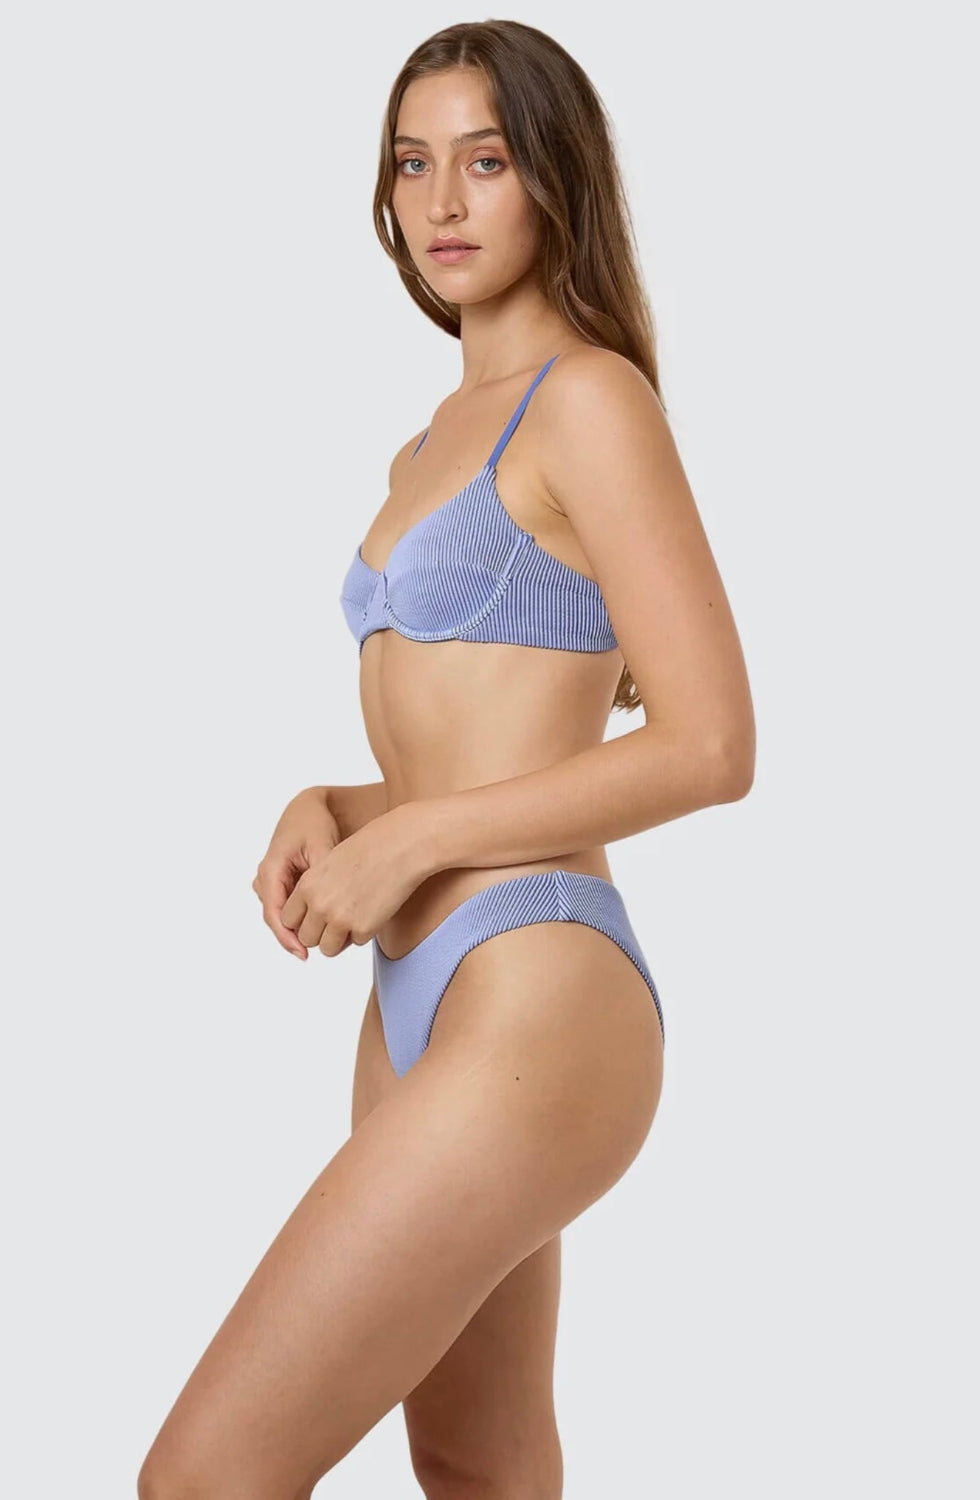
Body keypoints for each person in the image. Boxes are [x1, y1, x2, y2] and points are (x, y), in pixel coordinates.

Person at [138, 19, 755, 1499]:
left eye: (485, 161)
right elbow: (488, 732)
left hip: (538, 984)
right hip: (414, 998)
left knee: (204, 1476)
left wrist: (411, 842)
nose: (443, 202)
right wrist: (338, 805)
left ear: (555, 177)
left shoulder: (589, 399)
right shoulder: (430, 441)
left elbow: (712, 744)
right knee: (477, 1464)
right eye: (412, 166)